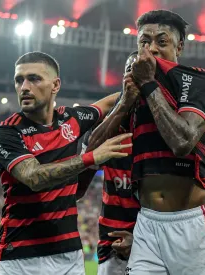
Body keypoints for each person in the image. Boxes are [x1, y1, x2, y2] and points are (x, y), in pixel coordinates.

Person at [88, 10, 205, 275]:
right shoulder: (133, 92)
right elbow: (92, 154)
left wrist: (149, 84)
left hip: (191, 220)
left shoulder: (197, 80)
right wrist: (126, 101)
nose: (151, 49)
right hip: (147, 224)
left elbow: (183, 141)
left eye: (162, 42)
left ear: (179, 46)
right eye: (144, 42)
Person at [0, 51, 132, 275]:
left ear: (55, 85)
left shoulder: (71, 119)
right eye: (19, 80)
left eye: (34, 78)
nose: (24, 87)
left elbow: (107, 104)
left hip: (69, 257)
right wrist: (91, 157)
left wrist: (140, 87)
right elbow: (34, 177)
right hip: (20, 258)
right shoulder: (7, 132)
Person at [77, 51, 141, 275]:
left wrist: (140, 238)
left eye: (140, 73)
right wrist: (123, 104)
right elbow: (81, 179)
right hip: (111, 242)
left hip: (154, 239)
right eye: (129, 71)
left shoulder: (162, 128)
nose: (134, 78)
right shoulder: (109, 125)